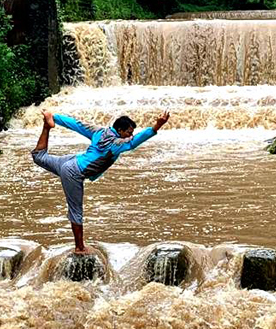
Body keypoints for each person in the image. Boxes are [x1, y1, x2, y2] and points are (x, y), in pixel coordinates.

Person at [31, 109, 171, 254]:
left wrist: (55, 117)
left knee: (39, 157)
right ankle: (79, 247)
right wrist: (157, 126)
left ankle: (47, 125)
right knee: (75, 210)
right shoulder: (116, 144)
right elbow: (133, 143)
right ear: (120, 130)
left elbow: (77, 125)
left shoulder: (99, 132)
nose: (130, 135)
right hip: (74, 172)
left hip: (72, 161)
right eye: (129, 132)